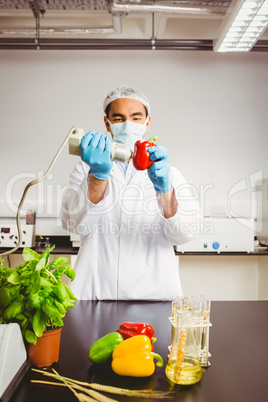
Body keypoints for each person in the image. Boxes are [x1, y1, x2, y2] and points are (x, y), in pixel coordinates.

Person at [61, 85, 200, 300]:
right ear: (107, 123)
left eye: (136, 117)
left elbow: (184, 234)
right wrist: (97, 176)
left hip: (154, 295)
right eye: (118, 119)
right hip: (96, 294)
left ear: (147, 122)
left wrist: (165, 190)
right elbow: (73, 225)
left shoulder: (170, 173)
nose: (128, 124)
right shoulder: (85, 169)